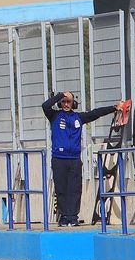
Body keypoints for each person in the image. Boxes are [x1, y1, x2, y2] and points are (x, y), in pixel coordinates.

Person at [42, 91, 128, 226]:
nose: (65, 104)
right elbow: (45, 106)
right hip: (59, 158)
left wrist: (114, 108)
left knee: (75, 189)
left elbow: (95, 113)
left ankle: (73, 216)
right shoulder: (54, 116)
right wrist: (60, 95)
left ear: (73, 104)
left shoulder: (78, 117)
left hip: (74, 158)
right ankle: (64, 216)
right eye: (63, 102)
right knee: (61, 189)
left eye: (68, 102)